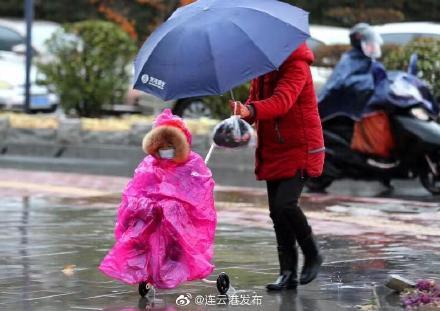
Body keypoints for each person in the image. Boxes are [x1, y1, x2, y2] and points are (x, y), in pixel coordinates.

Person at [230, 42, 325, 291]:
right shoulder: (263, 68)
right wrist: (244, 112)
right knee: (276, 213)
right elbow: (256, 103)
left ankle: (312, 252)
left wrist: (252, 109)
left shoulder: (297, 64)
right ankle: (287, 272)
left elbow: (282, 101)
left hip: (300, 147)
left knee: (286, 204)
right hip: (274, 148)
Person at [99, 109, 216, 294]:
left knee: (167, 233)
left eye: (171, 144)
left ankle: (169, 267)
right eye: (161, 144)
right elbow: (135, 192)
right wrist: (145, 206)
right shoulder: (150, 164)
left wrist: (172, 207)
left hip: (180, 223)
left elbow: (200, 196)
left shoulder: (192, 164)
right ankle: (153, 271)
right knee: (143, 232)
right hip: (152, 217)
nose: (166, 149)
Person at [318, 23, 384, 121]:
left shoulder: (370, 62)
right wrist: (368, 82)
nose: (373, 46)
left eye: (374, 43)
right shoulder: (349, 61)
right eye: (370, 43)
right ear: (360, 43)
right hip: (343, 116)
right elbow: (339, 84)